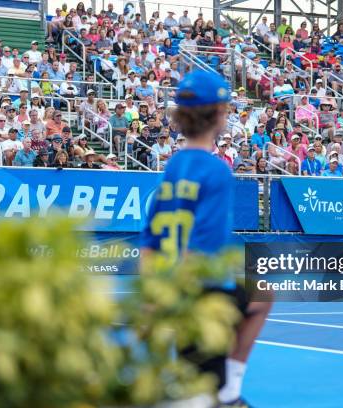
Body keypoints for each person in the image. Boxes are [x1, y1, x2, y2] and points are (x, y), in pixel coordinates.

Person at [140, 70, 271, 407]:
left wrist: (153, 297)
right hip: (201, 293)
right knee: (198, 396)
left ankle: (227, 391)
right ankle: (226, 392)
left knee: (262, 292)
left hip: (170, 285)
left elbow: (149, 243)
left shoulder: (173, 167)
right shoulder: (217, 171)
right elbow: (205, 248)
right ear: (218, 115)